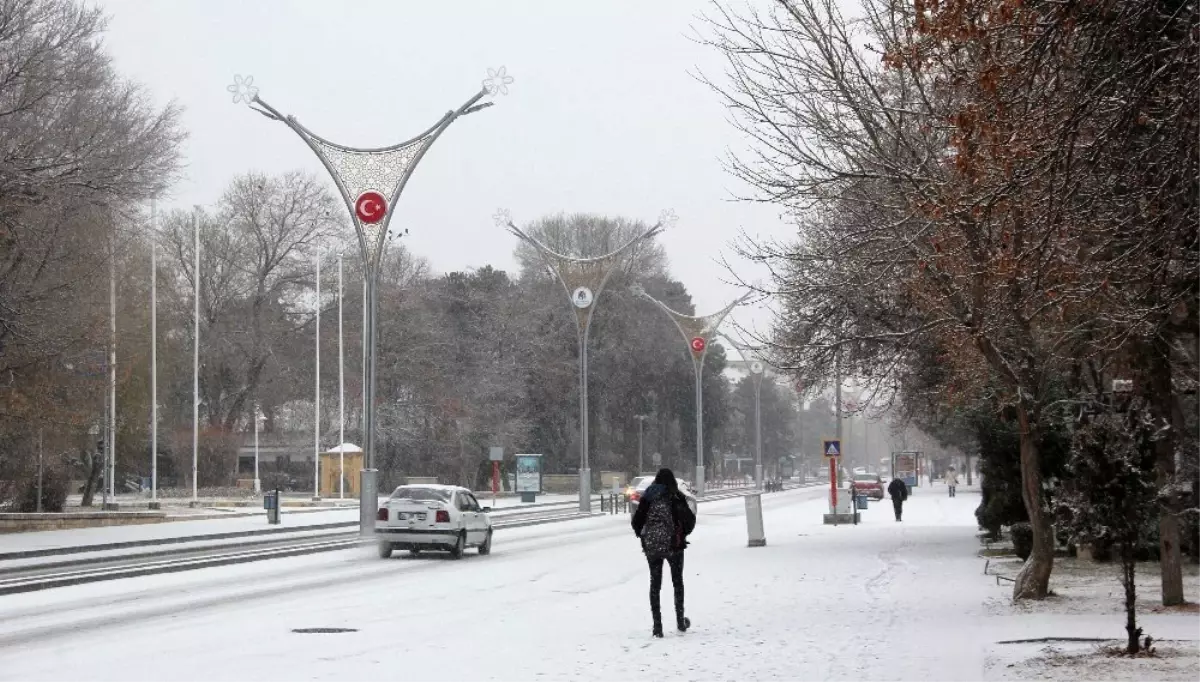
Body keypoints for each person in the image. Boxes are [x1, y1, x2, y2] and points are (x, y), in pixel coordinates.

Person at [631, 468, 697, 638]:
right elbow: (689, 520)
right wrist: (681, 535)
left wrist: (645, 537)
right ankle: (680, 622)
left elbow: (636, 521)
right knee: (677, 583)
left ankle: (657, 627)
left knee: (655, 585)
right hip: (674, 546)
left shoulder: (648, 496)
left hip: (653, 547)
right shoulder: (675, 496)